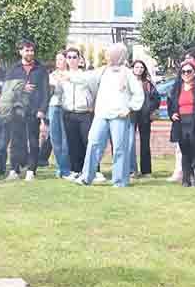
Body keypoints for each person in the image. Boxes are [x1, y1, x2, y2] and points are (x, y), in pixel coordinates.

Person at [59, 44, 143, 187]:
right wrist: (69, 77)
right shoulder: (103, 70)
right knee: (93, 143)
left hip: (119, 116)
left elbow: (138, 94)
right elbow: (86, 78)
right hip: (101, 115)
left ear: (119, 55)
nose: (108, 57)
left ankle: (120, 181)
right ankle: (86, 177)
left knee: (119, 149)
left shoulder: (127, 73)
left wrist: (129, 108)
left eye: (111, 54)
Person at [3, 41, 48, 181]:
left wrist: (42, 109)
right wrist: (22, 88)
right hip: (17, 110)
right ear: (20, 52)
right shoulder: (13, 69)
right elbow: (6, 89)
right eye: (27, 50)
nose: (30, 53)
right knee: (16, 141)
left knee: (33, 141)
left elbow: (46, 91)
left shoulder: (41, 69)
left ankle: (31, 170)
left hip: (34, 110)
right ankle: (14, 170)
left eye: (31, 50)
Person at [55, 48, 95, 181]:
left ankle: (92, 170)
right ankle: (76, 170)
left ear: (79, 59)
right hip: (68, 113)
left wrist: (91, 105)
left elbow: (92, 90)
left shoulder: (85, 75)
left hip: (84, 113)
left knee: (87, 142)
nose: (72, 60)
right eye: (69, 57)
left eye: (74, 57)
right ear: (66, 60)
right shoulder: (61, 76)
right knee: (73, 143)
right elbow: (58, 92)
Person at [130, 60, 160, 177]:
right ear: (132, 68)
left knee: (145, 143)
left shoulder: (147, 83)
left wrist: (150, 109)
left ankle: (146, 171)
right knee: (130, 143)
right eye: (137, 67)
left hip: (144, 116)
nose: (139, 69)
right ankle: (132, 170)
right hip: (130, 115)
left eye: (141, 67)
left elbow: (156, 98)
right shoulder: (128, 82)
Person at [47, 52, 71, 178]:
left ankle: (65, 169)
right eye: (57, 59)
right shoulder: (51, 76)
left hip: (66, 108)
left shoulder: (70, 75)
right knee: (55, 139)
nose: (58, 62)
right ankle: (61, 167)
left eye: (61, 59)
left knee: (65, 140)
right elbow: (48, 93)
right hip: (53, 106)